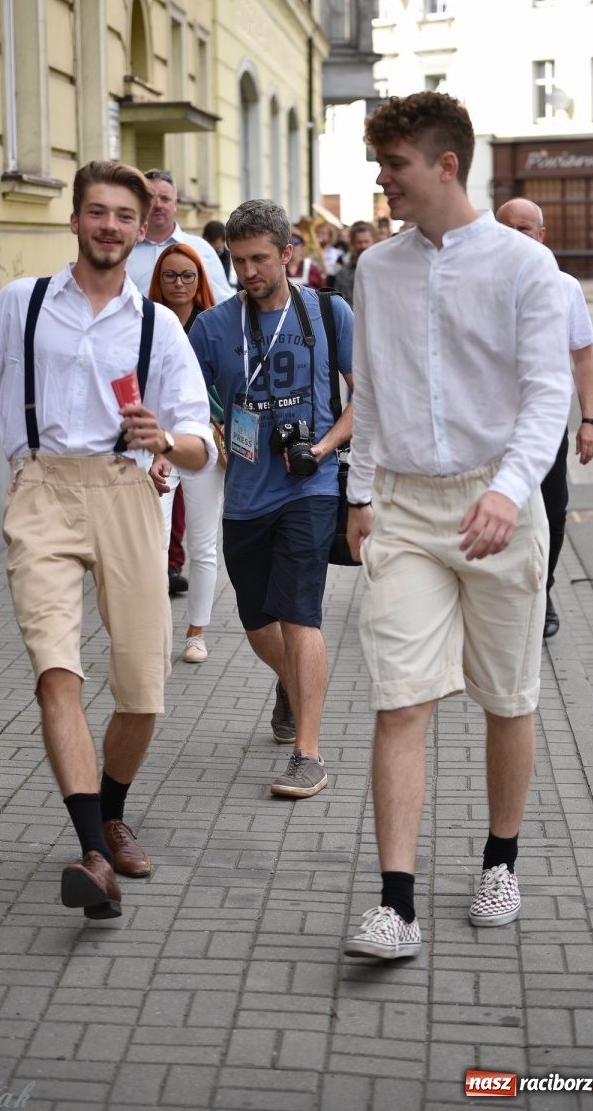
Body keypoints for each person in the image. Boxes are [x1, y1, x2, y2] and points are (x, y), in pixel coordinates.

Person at [0, 160, 215, 921]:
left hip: (126, 492)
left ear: (140, 224)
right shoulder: (21, 305)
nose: (111, 226)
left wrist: (170, 440)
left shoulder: (156, 324)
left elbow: (200, 441)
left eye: (124, 214)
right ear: (75, 220)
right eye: (97, 212)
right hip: (42, 491)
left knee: (143, 684)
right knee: (58, 668)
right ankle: (93, 851)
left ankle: (112, 809)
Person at [343, 92, 571, 961]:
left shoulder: (523, 268)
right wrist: (358, 497)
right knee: (399, 699)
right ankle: (394, 904)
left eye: (393, 164)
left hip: (495, 503)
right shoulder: (376, 268)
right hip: (404, 506)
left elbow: (548, 393)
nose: (380, 180)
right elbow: (368, 388)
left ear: (444, 165)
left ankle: (499, 859)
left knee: (505, 696)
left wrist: (510, 491)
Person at [188, 199, 354, 798]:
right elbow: (184, 396)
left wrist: (327, 446)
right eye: (238, 261)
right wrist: (210, 433)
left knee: (299, 613)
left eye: (259, 258)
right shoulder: (211, 327)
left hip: (309, 487)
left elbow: (369, 396)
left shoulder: (330, 314)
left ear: (289, 253)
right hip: (246, 494)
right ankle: (292, 682)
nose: (248, 271)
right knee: (258, 622)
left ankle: (308, 753)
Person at [496, 197, 593, 638]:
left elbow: (583, 357)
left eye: (527, 229)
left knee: (552, 511)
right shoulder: (475, 284)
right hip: (488, 427)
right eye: (509, 229)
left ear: (542, 236)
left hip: (543, 424)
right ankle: (497, 596)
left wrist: (590, 420)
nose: (519, 237)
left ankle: (544, 589)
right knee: (493, 511)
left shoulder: (565, 287)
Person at [148, 243, 226, 663]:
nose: (178, 283)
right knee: (152, 541)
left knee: (203, 542)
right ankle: (153, 633)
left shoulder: (213, 325)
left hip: (203, 443)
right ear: (158, 280)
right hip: (155, 445)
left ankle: (196, 633)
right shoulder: (145, 324)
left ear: (200, 282)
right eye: (170, 275)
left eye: (187, 276)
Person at [126, 170, 233, 301]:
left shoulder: (200, 249)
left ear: (175, 204)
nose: (158, 205)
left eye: (165, 199)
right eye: (151, 198)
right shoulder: (125, 251)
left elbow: (223, 300)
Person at [333, 221, 376, 303]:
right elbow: (342, 302)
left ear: (374, 242)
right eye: (359, 242)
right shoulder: (344, 273)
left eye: (366, 242)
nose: (363, 246)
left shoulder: (382, 269)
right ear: (352, 244)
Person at [202, 219, 238, 289]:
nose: (214, 255)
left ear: (224, 240)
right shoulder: (197, 259)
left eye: (217, 251)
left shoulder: (234, 261)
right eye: (211, 250)